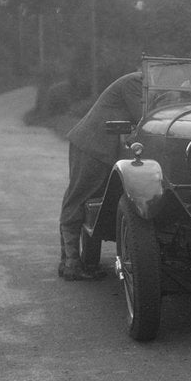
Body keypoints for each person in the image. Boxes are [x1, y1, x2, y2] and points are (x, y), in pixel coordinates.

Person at [58, 70, 145, 281]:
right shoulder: (135, 82)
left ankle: (73, 261)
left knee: (87, 199)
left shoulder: (140, 84)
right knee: (78, 198)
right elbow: (145, 116)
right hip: (92, 145)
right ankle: (71, 264)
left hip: (99, 147)